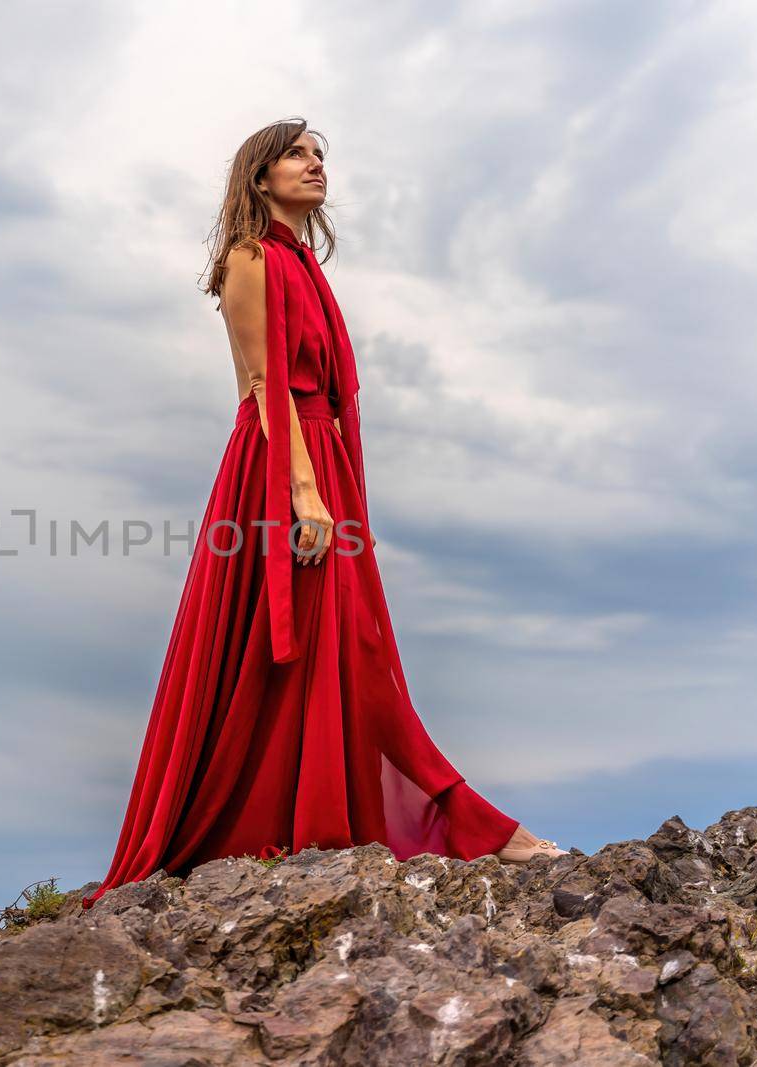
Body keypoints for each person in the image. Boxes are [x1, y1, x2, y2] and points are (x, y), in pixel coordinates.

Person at [81, 118, 564, 911]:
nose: (315, 167)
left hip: (317, 457)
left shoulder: (306, 266)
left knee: (344, 645)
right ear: (259, 173)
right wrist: (302, 496)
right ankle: (473, 823)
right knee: (338, 647)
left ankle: (339, 819)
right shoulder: (251, 258)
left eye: (320, 157)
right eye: (298, 155)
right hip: (280, 468)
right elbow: (266, 386)